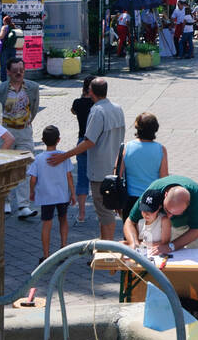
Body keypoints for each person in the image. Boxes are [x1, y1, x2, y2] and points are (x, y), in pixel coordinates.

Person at [48, 78, 125, 241]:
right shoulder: (117, 108)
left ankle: (108, 250)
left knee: (104, 211)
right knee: (107, 209)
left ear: (91, 92)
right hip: (116, 166)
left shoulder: (97, 111)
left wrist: (64, 156)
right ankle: (104, 243)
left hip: (100, 170)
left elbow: (89, 141)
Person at [0, 58, 42, 219]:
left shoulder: (32, 87)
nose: (19, 73)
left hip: (24, 131)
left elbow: (33, 109)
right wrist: (0, 133)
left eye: (22, 70)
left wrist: (26, 124)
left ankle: (23, 205)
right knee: (4, 167)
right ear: (8, 72)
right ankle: (5, 201)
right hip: (5, 131)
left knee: (26, 168)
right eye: (15, 71)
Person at [127, 175, 198, 254]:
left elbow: (196, 230)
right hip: (180, 222)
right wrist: (134, 243)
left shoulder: (196, 197)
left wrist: (171, 246)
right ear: (165, 194)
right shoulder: (153, 192)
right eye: (167, 210)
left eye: (176, 213)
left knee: (196, 253)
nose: (169, 216)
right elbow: (130, 221)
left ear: (189, 205)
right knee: (174, 254)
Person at [28, 125, 76, 263]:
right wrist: (72, 194)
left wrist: (32, 192)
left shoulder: (38, 159)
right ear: (59, 140)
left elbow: (33, 179)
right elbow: (69, 176)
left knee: (46, 224)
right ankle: (63, 248)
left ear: (42, 140)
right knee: (63, 220)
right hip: (62, 195)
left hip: (46, 196)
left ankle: (46, 255)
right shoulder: (63, 156)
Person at [120, 112, 169, 219]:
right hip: (152, 199)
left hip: (130, 199)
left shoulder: (126, 148)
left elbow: (117, 174)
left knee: (130, 231)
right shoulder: (161, 149)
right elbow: (164, 178)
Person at [70, 77, 96, 225]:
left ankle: (81, 214)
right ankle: (102, 211)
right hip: (96, 143)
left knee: (81, 178)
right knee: (99, 178)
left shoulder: (78, 103)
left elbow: (73, 111)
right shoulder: (97, 104)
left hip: (82, 141)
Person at [0, 14, 21, 82]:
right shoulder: (14, 27)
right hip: (13, 49)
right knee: (12, 66)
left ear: (4, 21)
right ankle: (13, 80)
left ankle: (3, 81)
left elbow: (1, 37)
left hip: (5, 49)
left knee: (3, 66)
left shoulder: (4, 27)